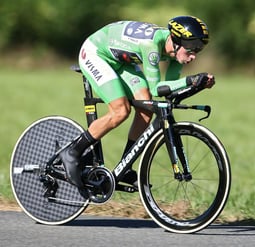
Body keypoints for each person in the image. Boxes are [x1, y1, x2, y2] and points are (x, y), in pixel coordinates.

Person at [60, 16, 215, 189]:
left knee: (146, 107)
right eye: (191, 49)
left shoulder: (175, 53)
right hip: (95, 53)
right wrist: (190, 80)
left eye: (198, 50)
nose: (194, 56)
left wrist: (197, 85)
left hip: (120, 60)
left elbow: (169, 90)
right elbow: (157, 88)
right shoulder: (152, 46)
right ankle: (72, 152)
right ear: (176, 41)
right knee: (120, 111)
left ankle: (125, 169)